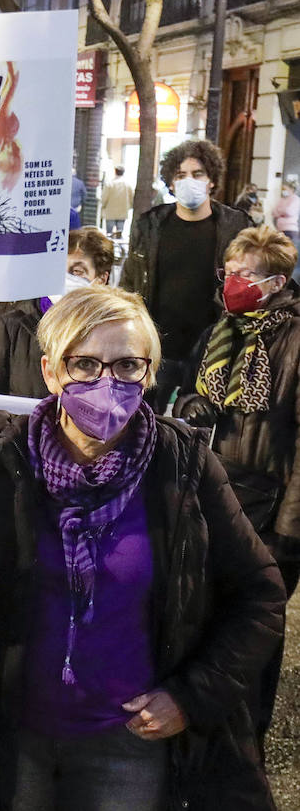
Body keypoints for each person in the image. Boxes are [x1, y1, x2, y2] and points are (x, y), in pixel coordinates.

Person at [0, 287, 285, 811]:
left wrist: (191, 697)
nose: (107, 383)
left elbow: (260, 595)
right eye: (85, 364)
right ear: (50, 371)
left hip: (129, 744)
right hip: (15, 735)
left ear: (151, 372)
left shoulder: (184, 470)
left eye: (128, 365)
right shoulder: (0, 461)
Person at [173, 225, 300, 740]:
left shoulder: (293, 339)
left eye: (245, 274)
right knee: (208, 624)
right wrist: (190, 405)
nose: (233, 283)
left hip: (270, 510)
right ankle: (205, 734)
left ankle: (249, 740)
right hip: (214, 498)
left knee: (253, 632)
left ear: (275, 281)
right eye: (229, 272)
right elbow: (188, 396)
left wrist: (290, 534)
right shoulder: (221, 330)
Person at [122, 139, 249, 412]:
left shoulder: (234, 226)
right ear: (170, 182)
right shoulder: (150, 225)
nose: (188, 181)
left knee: (201, 433)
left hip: (212, 351)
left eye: (197, 174)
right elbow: (130, 283)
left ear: (212, 180)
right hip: (156, 350)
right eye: (181, 175)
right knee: (144, 425)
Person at [0, 228, 115, 398]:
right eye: (58, 269)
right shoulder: (8, 329)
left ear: (101, 279)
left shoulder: (114, 333)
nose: (65, 278)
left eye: (77, 271)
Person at [99, 165, 133, 235]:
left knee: (109, 233)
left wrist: (103, 205)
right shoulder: (127, 184)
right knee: (119, 233)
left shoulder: (110, 183)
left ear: (115, 172)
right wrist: (129, 207)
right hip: (123, 211)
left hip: (110, 211)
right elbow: (131, 197)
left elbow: (104, 197)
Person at [271, 179, 299, 249]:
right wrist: (282, 212)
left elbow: (289, 211)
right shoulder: (282, 199)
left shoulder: (296, 199)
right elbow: (274, 212)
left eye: (285, 189)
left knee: (290, 252)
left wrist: (279, 211)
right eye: (282, 189)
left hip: (290, 230)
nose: (283, 190)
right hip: (280, 229)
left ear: (291, 189)